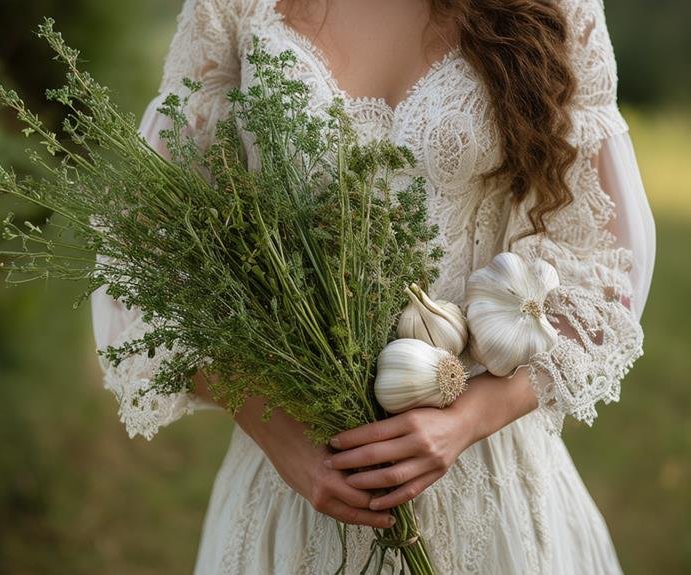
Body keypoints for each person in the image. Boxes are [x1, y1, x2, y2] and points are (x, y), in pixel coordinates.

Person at [90, 0, 657, 572]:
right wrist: (278, 430)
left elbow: (606, 264)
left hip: (487, 471)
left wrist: (471, 416)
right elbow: (148, 249)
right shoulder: (233, 7)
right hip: (299, 480)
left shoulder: (557, 6)